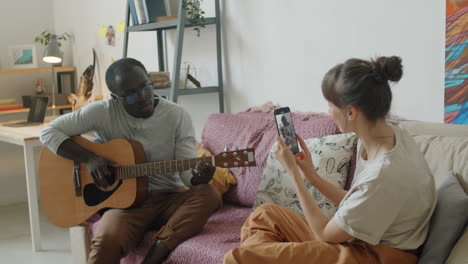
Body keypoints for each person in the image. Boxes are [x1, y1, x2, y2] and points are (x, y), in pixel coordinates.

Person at [223, 56, 436, 264]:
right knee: (264, 216)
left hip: (376, 255)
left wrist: (294, 174)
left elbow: (324, 234)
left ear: (351, 112)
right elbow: (360, 203)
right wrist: (311, 175)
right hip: (361, 236)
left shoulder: (382, 175)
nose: (328, 112)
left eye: (330, 105)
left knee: (237, 258)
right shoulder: (392, 136)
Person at [40, 58, 222, 264]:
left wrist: (199, 178)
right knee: (105, 242)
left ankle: (154, 256)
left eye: (146, 87)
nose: (143, 97)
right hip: (125, 207)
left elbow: (188, 178)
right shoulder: (102, 112)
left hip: (168, 200)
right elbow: (48, 132)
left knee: (209, 194)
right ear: (115, 98)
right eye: (130, 96)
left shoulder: (177, 116)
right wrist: (90, 159)